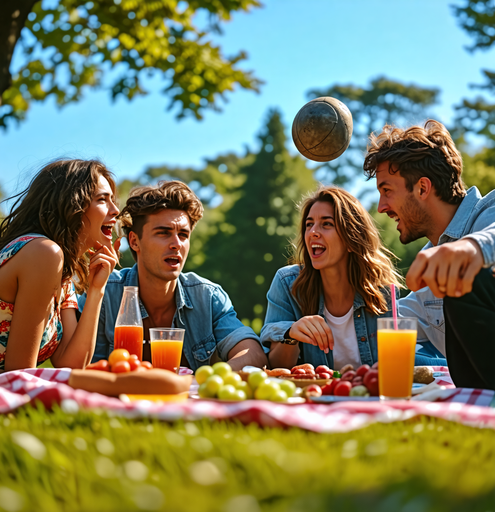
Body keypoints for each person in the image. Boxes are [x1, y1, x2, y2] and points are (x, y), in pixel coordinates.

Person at [80, 181, 267, 371]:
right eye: (163, 233)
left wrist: (206, 379)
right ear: (135, 241)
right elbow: (82, 366)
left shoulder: (207, 297)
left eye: (184, 235)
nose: (176, 244)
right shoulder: (105, 292)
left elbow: (253, 354)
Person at [364, 119, 495, 390]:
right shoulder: (432, 265)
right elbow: (390, 320)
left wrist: (471, 248)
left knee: (465, 281)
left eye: (387, 190)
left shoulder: (488, 213)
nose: (380, 207)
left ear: (422, 188)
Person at [0, 159, 120, 379]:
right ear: (72, 204)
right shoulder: (43, 252)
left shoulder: (62, 267)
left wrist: (97, 290)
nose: (115, 210)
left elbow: (71, 363)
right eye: (103, 200)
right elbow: (20, 375)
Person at [260, 185, 420, 371]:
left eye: (326, 224)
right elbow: (276, 368)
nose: (313, 232)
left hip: (368, 396)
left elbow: (393, 366)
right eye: (309, 224)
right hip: (315, 397)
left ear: (351, 239)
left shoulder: (382, 291)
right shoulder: (287, 283)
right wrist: (291, 334)